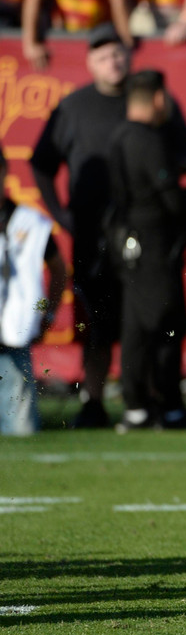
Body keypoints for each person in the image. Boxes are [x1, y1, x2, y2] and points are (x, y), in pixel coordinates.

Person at [30, 23, 186, 429]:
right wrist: (62, 214)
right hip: (94, 234)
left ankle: (154, 400)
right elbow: (40, 164)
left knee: (153, 320)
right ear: (89, 62)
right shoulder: (74, 107)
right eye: (103, 54)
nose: (114, 61)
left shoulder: (150, 105)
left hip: (148, 236)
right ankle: (94, 400)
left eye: (119, 52)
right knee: (96, 323)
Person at [107, 70, 186, 433]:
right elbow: (168, 197)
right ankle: (165, 404)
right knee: (164, 325)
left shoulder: (118, 136)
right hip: (154, 242)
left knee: (137, 324)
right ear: (159, 99)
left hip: (128, 241)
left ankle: (137, 404)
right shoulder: (148, 139)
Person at [1, 148, 67, 436]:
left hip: (12, 332)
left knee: (21, 429)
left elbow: (58, 269)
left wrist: (46, 312)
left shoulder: (29, 222)